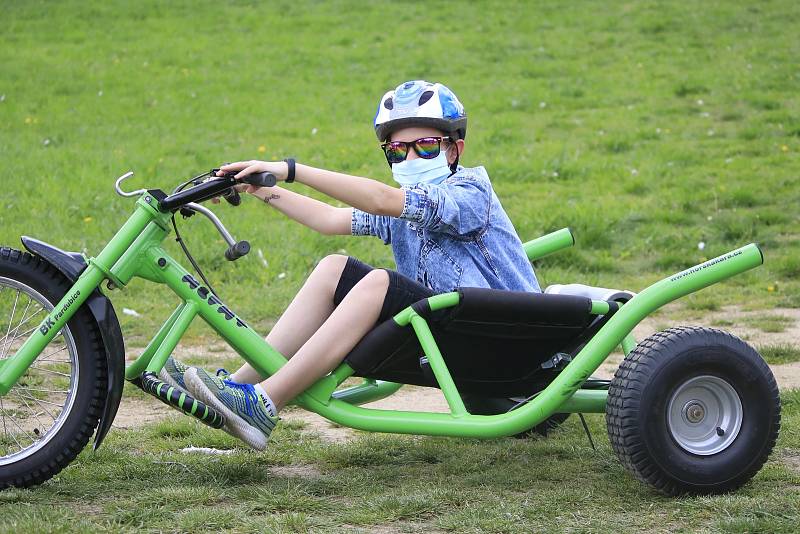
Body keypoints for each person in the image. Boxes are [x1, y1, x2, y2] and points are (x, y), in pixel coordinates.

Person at [163, 80, 541, 450]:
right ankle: (234, 390)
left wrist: (289, 169)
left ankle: (263, 403)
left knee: (380, 283)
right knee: (333, 267)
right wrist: (259, 188)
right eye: (397, 150)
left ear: (454, 150)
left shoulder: (470, 192)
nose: (409, 159)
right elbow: (329, 220)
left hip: (508, 349)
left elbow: (380, 200)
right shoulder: (404, 210)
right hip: (454, 339)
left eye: (425, 146)